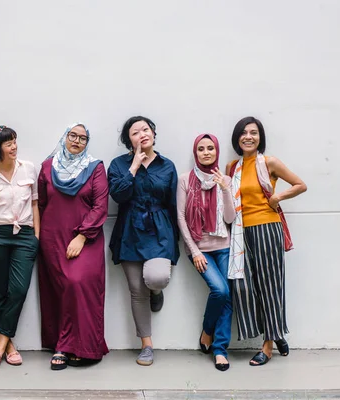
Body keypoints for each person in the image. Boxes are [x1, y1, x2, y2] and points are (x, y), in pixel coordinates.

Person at [226, 116, 307, 366]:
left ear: (260, 137)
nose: (248, 136)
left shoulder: (268, 162)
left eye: (254, 132)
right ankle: (276, 333)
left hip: (266, 228)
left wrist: (277, 197)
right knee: (246, 287)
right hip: (241, 233)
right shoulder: (232, 167)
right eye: (243, 132)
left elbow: (300, 185)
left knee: (270, 285)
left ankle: (268, 345)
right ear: (237, 138)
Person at [107, 116, 180, 366]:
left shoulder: (167, 165)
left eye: (145, 129)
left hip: (160, 230)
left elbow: (172, 203)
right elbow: (118, 195)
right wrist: (134, 167)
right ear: (129, 139)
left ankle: (156, 290)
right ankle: (146, 345)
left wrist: (176, 239)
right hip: (130, 230)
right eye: (135, 132)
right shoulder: (118, 165)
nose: (142, 134)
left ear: (154, 133)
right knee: (137, 291)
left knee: (156, 277)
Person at [37, 123, 109, 370]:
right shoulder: (48, 166)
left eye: (83, 138)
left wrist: (82, 236)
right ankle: (62, 345)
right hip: (52, 238)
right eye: (73, 136)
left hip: (85, 237)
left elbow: (100, 206)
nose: (77, 141)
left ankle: (84, 345)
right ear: (64, 137)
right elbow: (42, 203)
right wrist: (40, 235)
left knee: (78, 283)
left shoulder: (95, 167)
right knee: (58, 290)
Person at [0, 125, 40, 369]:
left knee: (18, 290)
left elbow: (35, 204)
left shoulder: (29, 169)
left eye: (14, 141)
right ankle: (9, 345)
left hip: (24, 235)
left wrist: (36, 236)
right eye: (8, 143)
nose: (14, 146)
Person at [176, 134, 236, 371]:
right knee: (219, 290)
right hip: (199, 249)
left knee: (228, 296)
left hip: (224, 246)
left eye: (211, 148)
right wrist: (195, 251)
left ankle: (220, 349)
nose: (206, 152)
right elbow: (180, 217)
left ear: (217, 151)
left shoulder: (226, 179)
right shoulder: (184, 180)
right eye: (201, 149)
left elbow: (230, 219)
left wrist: (226, 190)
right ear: (195, 153)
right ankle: (207, 330)